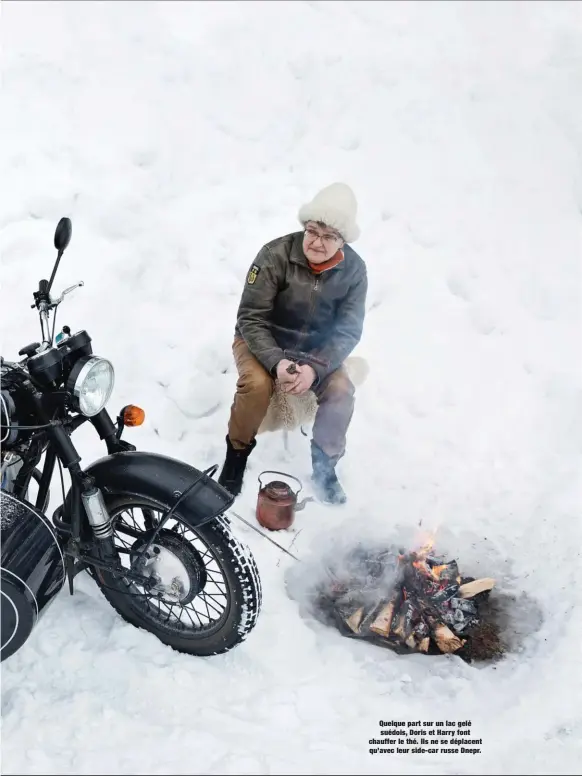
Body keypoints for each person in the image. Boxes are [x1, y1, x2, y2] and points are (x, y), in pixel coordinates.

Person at [217, 182, 368, 504]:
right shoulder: (275, 254)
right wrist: (276, 362)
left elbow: (348, 330)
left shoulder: (354, 271)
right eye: (313, 231)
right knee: (256, 384)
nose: (317, 242)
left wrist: (314, 368)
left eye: (329, 236)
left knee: (342, 390)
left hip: (317, 350)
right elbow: (251, 317)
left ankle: (325, 467)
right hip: (260, 340)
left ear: (342, 241)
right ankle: (236, 455)